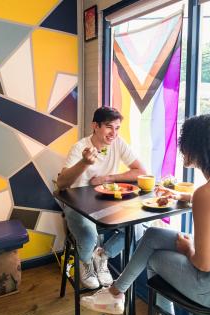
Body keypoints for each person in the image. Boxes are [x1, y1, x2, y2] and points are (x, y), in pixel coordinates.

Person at [80, 114, 210, 315]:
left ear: (199, 147)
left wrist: (189, 248)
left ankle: (123, 298)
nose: (181, 149)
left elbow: (203, 264)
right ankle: (115, 293)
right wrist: (182, 195)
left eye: (185, 143)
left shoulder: (207, 194)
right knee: (153, 234)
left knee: (154, 258)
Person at [57, 107, 146, 289]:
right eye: (108, 127)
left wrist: (108, 178)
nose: (113, 133)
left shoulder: (118, 143)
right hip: (77, 206)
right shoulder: (80, 148)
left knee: (137, 229)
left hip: (107, 206)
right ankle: (86, 262)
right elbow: (61, 184)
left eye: (117, 127)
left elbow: (141, 171)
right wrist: (84, 163)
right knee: (89, 235)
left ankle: (102, 256)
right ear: (95, 126)